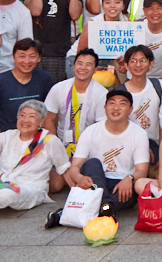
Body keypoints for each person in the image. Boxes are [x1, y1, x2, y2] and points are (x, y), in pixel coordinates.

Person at [0, 99, 71, 228]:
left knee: (5, 195)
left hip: (30, 189)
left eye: (32, 116)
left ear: (41, 121)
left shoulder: (50, 141)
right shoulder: (8, 136)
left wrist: (77, 197)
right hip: (0, 183)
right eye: (22, 115)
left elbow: (65, 169)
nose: (25, 120)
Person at [49, 87, 152, 225]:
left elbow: (142, 171)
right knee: (92, 163)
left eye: (122, 104)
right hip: (95, 181)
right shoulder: (90, 131)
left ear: (130, 110)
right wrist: (79, 178)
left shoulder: (139, 134)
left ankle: (70, 213)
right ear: (105, 107)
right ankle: (106, 209)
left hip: (122, 184)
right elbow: (75, 167)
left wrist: (130, 178)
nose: (116, 108)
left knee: (132, 191)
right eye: (112, 103)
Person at [27, 0, 83, 80]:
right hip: (37, 51)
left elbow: (75, 15)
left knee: (60, 89)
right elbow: (35, 11)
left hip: (62, 51)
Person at [0, 38, 55, 132]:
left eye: (32, 56)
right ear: (14, 57)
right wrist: (1, 139)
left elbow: (49, 114)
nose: (27, 61)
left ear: (39, 58)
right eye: (22, 56)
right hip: (6, 136)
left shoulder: (44, 78)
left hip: (35, 136)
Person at [43, 48, 107, 155]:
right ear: (73, 67)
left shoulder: (102, 94)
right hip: (61, 143)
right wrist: (55, 146)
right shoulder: (59, 88)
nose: (83, 68)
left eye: (88, 64)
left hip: (90, 147)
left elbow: (101, 126)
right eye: (80, 63)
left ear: (95, 69)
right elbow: (48, 119)